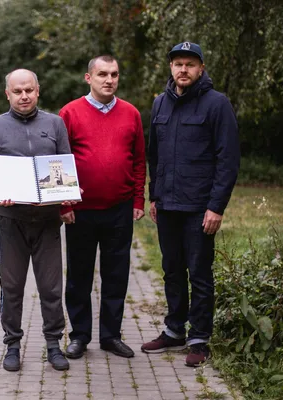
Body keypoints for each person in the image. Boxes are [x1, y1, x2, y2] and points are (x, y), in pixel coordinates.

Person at [141, 42, 240, 367]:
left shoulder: (216, 104)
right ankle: (173, 330)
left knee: (199, 273)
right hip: (167, 205)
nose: (183, 70)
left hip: (199, 207)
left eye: (189, 64)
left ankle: (199, 338)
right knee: (171, 270)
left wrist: (216, 206)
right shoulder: (160, 105)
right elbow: (154, 156)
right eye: (177, 64)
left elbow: (228, 160)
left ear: (201, 68)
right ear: (171, 67)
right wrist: (154, 196)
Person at [0, 69, 73, 372]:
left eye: (29, 90)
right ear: (7, 93)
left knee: (50, 287)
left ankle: (53, 345)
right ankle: (13, 346)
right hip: (12, 221)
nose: (24, 96)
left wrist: (67, 192)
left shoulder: (55, 124)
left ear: (38, 90)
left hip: (47, 221)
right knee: (12, 286)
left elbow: (64, 166)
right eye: (17, 91)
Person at [59, 55, 146, 359]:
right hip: (81, 210)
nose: (109, 80)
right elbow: (60, 161)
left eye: (115, 74)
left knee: (116, 274)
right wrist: (63, 204)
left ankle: (110, 336)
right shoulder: (69, 113)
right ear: (88, 78)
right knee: (79, 276)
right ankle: (79, 336)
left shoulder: (131, 114)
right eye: (102, 74)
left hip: (120, 209)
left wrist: (138, 199)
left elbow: (138, 160)